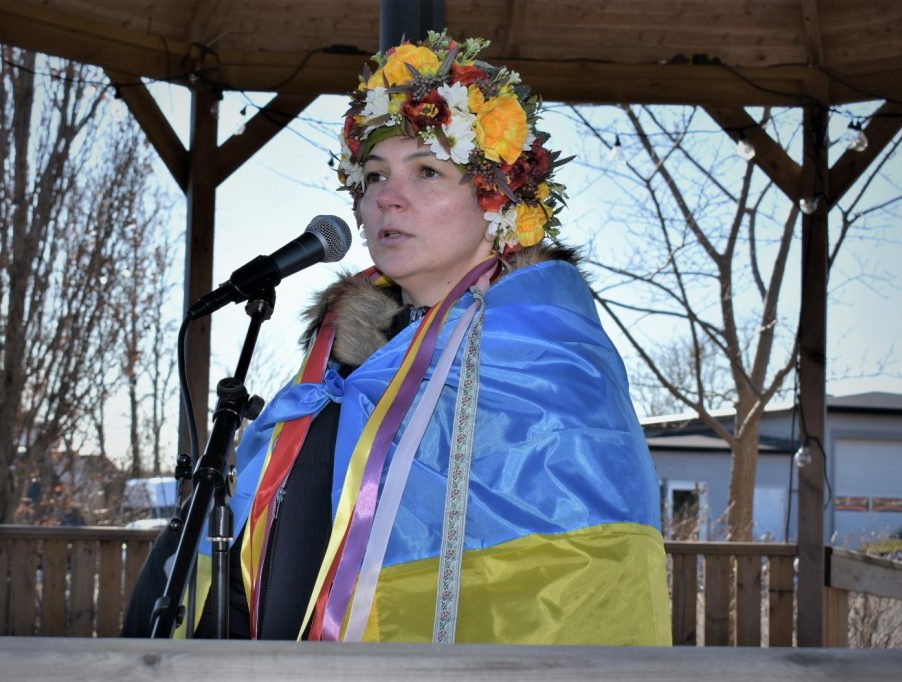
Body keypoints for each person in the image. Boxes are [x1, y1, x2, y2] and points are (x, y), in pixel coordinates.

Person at [123, 30, 670, 645]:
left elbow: (578, 586)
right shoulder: (337, 368)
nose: (389, 198)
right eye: (375, 175)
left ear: (497, 204)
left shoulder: (550, 363)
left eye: (428, 172)